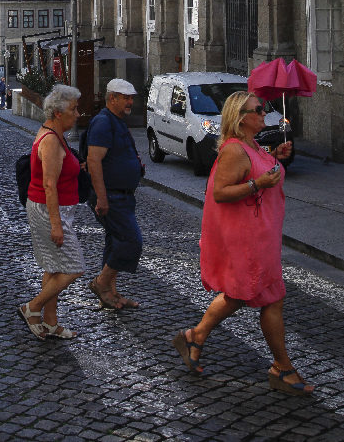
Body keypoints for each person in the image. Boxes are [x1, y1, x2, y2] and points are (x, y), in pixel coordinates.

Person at [172, 91, 313, 396]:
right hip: (247, 238)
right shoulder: (234, 150)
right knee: (247, 294)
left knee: (259, 296)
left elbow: (256, 169)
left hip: (262, 235)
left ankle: (195, 337)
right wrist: (258, 184)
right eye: (257, 110)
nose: (264, 113)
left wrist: (274, 158)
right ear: (240, 119)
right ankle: (281, 367)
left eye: (262, 109)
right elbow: (221, 192)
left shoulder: (252, 146)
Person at [18, 84, 85, 340]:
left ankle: (50, 321)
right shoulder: (51, 141)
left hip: (51, 209)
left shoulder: (54, 135)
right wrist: (56, 225)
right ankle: (32, 307)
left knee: (54, 267)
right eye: (73, 109)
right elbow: (49, 184)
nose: (77, 114)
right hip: (48, 211)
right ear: (58, 113)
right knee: (74, 267)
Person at [85, 78, 144, 310]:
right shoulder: (103, 123)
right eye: (126, 98)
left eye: (131, 97)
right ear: (112, 98)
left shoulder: (116, 120)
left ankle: (110, 293)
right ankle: (101, 283)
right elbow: (93, 160)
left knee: (115, 241)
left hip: (123, 195)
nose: (130, 102)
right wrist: (101, 198)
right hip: (111, 195)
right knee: (131, 241)